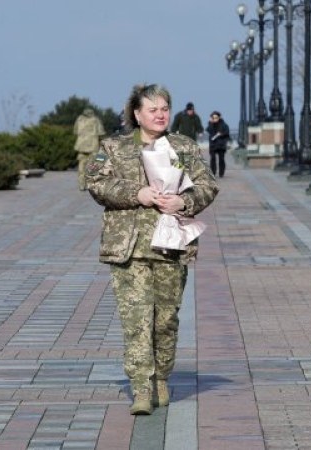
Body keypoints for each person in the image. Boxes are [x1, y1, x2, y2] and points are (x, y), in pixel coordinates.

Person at [85, 84, 219, 415]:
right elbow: (97, 183)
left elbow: (207, 186)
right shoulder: (114, 147)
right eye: (152, 109)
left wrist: (184, 201)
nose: (159, 115)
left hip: (170, 248)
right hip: (129, 250)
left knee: (165, 320)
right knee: (137, 320)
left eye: (164, 109)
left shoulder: (184, 147)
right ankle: (141, 388)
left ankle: (162, 377)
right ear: (136, 114)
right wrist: (137, 193)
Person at [73, 108, 105, 191]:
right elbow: (101, 133)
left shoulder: (79, 119)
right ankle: (90, 183)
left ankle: (81, 184)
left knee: (81, 166)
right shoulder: (96, 119)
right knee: (93, 165)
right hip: (93, 146)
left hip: (81, 146)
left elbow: (75, 131)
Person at [205, 111, 230, 178]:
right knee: (212, 158)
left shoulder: (224, 125)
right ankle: (213, 172)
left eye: (216, 117)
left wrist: (221, 134)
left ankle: (221, 173)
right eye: (213, 118)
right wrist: (210, 122)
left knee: (221, 159)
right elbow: (208, 130)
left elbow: (227, 133)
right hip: (213, 144)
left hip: (221, 144)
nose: (215, 119)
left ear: (219, 117)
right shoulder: (211, 124)